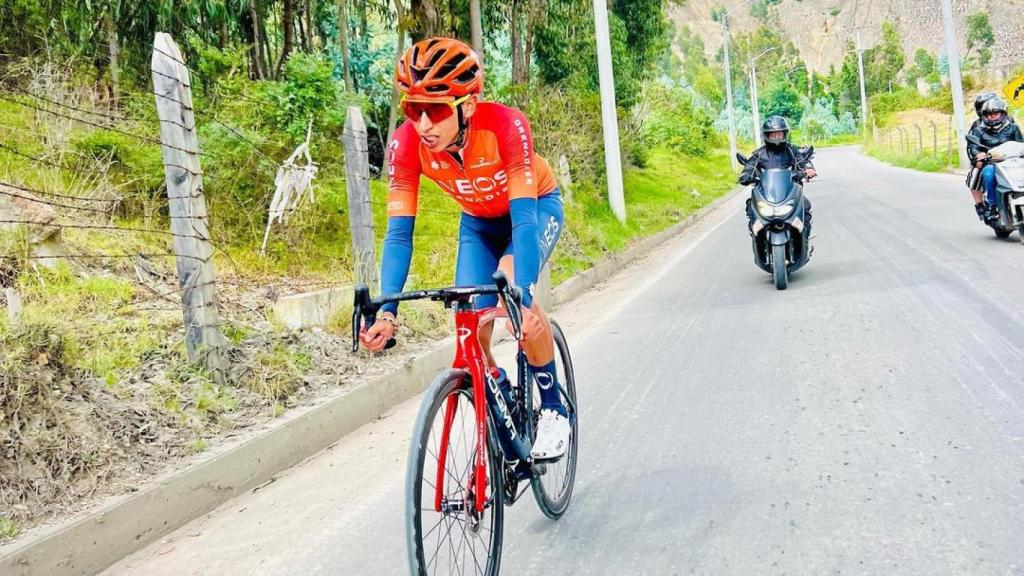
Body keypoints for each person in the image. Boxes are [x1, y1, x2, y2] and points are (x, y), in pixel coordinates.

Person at [360, 37, 570, 461]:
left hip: (531, 211)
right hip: (476, 224)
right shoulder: (405, 145)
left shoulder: (506, 126)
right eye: (412, 110)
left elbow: (525, 221)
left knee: (514, 295)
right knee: (470, 323)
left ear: (467, 106)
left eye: (435, 110)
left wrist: (523, 298)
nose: (423, 124)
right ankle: (503, 396)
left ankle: (552, 408)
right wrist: (387, 312)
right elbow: (399, 235)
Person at [739, 116, 817, 232]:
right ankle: (757, 237)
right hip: (765, 196)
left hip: (790, 193)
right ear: (767, 135)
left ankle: (803, 241)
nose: (776, 137)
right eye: (773, 134)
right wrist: (745, 175)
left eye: (779, 134)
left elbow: (802, 161)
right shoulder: (759, 154)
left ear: (784, 134)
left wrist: (808, 169)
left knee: (805, 206)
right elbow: (749, 166)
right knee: (751, 207)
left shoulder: (792, 150)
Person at [966, 97, 1023, 222]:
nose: (992, 116)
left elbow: (1020, 144)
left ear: (1002, 113)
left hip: (1012, 161)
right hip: (992, 163)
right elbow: (973, 147)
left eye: (995, 113)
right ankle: (991, 205)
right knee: (988, 173)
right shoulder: (978, 129)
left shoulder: (1013, 128)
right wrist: (978, 155)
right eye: (989, 114)